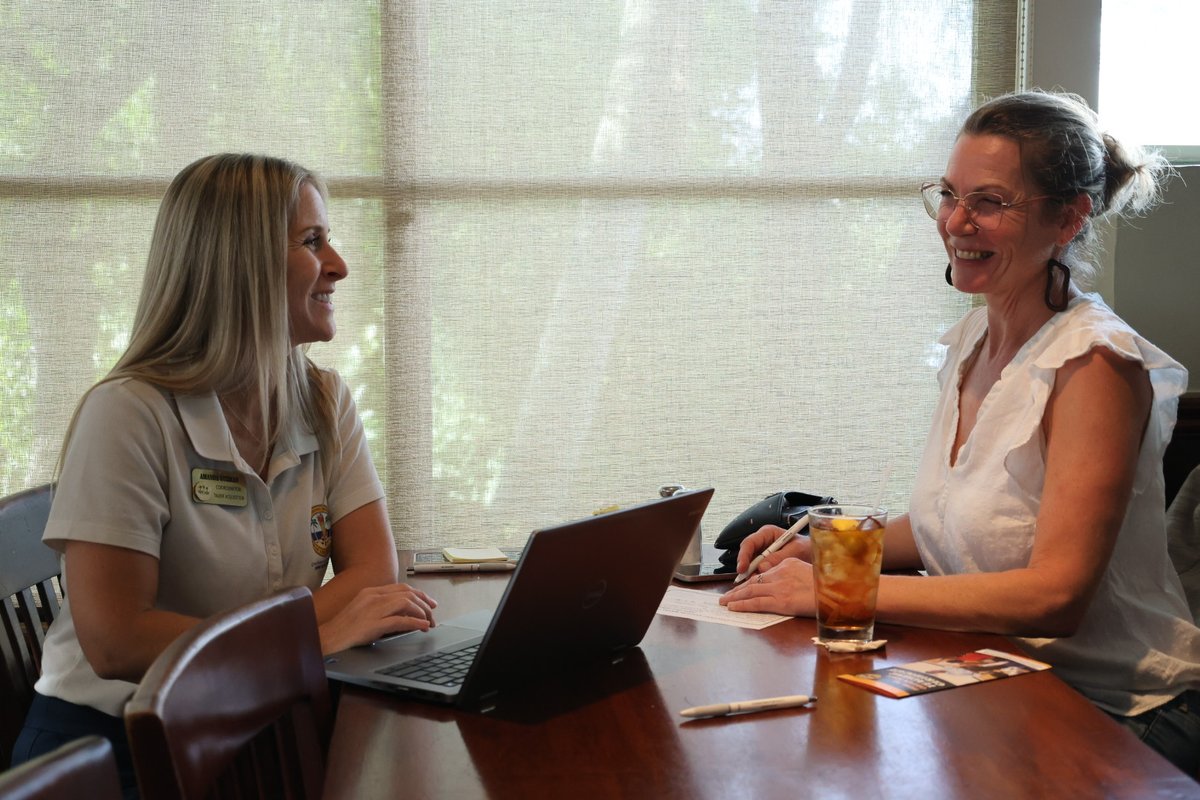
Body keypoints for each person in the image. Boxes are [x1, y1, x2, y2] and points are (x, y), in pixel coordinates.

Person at [721, 90, 1200, 774]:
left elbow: (1053, 597)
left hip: (1124, 718)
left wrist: (841, 592)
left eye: (990, 201)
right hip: (1007, 684)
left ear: (1068, 218)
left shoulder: (1095, 365)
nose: (956, 221)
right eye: (949, 194)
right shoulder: (974, 340)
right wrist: (825, 552)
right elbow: (952, 524)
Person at [11, 154, 438, 795]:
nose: (339, 266)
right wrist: (309, 644)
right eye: (312, 241)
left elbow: (374, 575)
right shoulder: (128, 413)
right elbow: (117, 638)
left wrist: (299, 647)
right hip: (110, 753)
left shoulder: (324, 400)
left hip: (252, 724)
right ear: (242, 263)